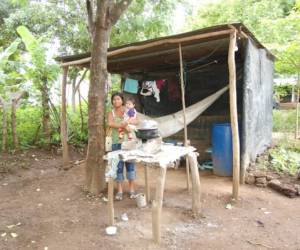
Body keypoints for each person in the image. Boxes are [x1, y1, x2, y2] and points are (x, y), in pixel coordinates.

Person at [107, 92, 138, 200]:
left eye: (118, 99)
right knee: (118, 167)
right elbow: (110, 123)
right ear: (112, 101)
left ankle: (132, 189)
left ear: (122, 100)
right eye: (114, 99)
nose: (116, 101)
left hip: (129, 142)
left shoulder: (128, 109)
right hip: (117, 142)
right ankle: (120, 190)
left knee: (130, 166)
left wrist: (128, 122)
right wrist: (123, 125)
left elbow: (136, 120)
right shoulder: (111, 113)